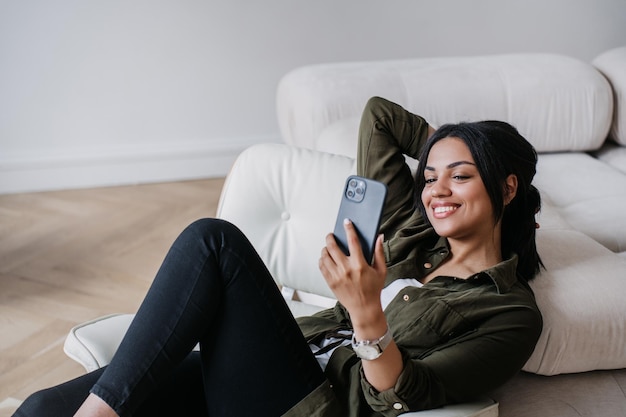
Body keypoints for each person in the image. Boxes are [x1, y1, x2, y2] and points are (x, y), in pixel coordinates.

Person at [14, 96, 543, 417]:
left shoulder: (510, 312)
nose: (438, 190)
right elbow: (380, 118)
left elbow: (405, 395)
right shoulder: (412, 235)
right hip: (262, 369)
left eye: (462, 176)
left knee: (214, 242)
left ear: (508, 187)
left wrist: (367, 314)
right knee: (41, 410)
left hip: (311, 406)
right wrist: (452, 145)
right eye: (430, 177)